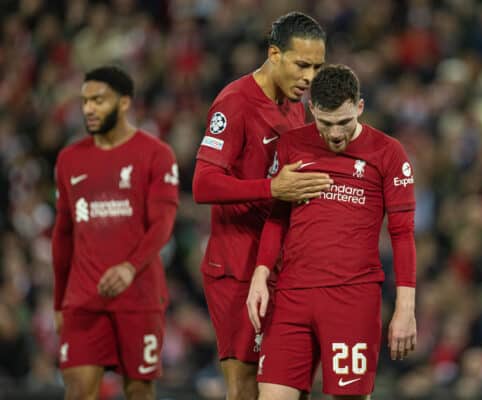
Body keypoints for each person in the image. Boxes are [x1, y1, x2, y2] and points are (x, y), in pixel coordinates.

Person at [246, 65, 418, 400]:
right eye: (326, 124)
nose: (335, 134)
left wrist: (405, 308)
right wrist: (260, 273)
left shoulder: (388, 153)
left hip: (352, 298)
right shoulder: (292, 146)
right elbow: (277, 217)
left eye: (344, 122)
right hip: (292, 296)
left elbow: (402, 234)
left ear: (360, 107)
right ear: (312, 109)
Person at [192, 11, 332, 400]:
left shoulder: (296, 107)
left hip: (280, 266)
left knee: (292, 385)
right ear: (274, 54)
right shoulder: (234, 103)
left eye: (317, 67)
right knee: (247, 389)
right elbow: (202, 184)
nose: (309, 77)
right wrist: (274, 188)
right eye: (302, 65)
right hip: (236, 266)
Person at [52, 65, 179, 400]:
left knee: (138, 390)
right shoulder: (69, 159)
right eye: (85, 101)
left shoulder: (156, 154)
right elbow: (63, 235)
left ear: (124, 103)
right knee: (78, 391)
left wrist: (129, 267)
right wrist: (58, 301)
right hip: (83, 298)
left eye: (99, 100)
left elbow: (163, 224)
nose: (88, 109)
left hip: (139, 297)